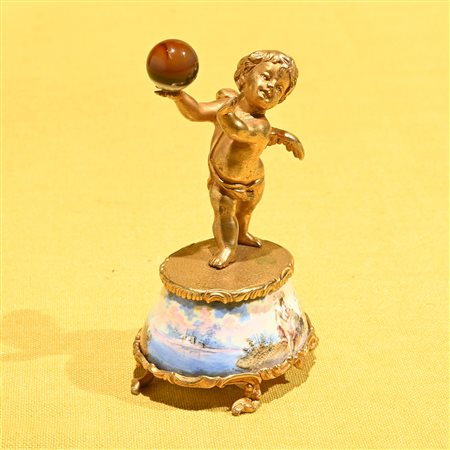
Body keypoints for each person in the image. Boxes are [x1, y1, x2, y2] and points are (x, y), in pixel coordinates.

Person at [156, 50, 304, 269]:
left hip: (253, 181)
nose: (271, 87)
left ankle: (242, 234)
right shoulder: (227, 106)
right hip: (223, 182)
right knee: (224, 213)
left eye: (279, 88)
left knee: (245, 212)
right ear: (244, 76)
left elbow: (237, 130)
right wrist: (179, 96)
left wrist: (225, 109)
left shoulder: (259, 125)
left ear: (280, 99)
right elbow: (196, 111)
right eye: (266, 77)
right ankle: (227, 248)